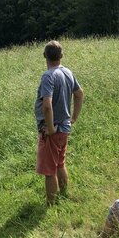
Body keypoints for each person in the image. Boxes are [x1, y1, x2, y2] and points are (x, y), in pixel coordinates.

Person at [35, 40, 84, 205]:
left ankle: (51, 203)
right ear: (61, 55)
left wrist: (49, 129)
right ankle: (63, 194)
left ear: (45, 56)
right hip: (64, 128)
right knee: (60, 164)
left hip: (53, 130)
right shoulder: (67, 72)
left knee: (49, 171)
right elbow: (79, 94)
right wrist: (74, 117)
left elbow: (47, 105)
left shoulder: (48, 76)